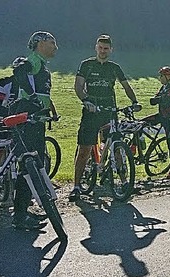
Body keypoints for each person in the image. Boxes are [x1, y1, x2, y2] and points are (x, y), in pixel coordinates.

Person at [69, 34, 139, 201]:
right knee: (84, 149)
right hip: (91, 111)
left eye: (106, 48)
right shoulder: (86, 65)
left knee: (117, 148)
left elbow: (126, 86)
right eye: (100, 48)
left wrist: (135, 101)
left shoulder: (114, 67)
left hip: (110, 111)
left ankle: (123, 182)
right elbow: (78, 86)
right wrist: (86, 100)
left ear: (111, 50)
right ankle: (77, 186)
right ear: (96, 48)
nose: (103, 51)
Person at [10, 31, 58, 230]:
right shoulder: (34, 60)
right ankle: (19, 215)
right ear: (40, 43)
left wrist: (51, 108)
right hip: (27, 118)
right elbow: (19, 72)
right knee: (28, 165)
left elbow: (42, 92)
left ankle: (24, 210)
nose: (56, 47)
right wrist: (32, 98)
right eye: (52, 42)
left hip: (36, 119)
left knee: (35, 164)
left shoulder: (42, 65)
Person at [149, 66, 170, 179]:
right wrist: (158, 99)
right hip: (162, 115)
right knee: (141, 123)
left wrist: (158, 99)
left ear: (168, 77)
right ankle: (135, 146)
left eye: (161, 76)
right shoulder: (164, 87)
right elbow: (154, 100)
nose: (160, 78)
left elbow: (166, 101)